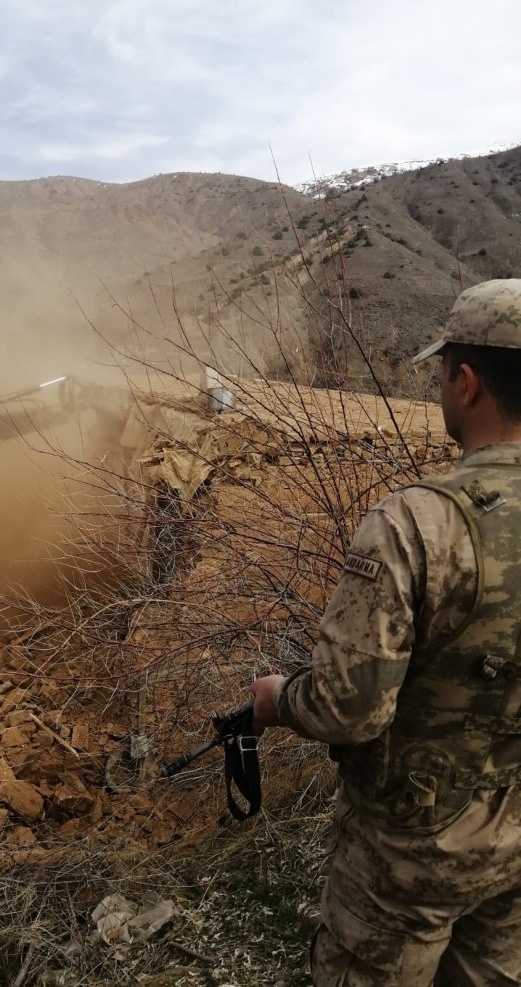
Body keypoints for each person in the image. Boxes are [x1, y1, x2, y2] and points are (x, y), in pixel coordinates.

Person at [252, 278, 521, 986]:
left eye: (440, 373)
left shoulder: (416, 523)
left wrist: (279, 698)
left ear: (465, 382)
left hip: (406, 863)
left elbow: (352, 707)